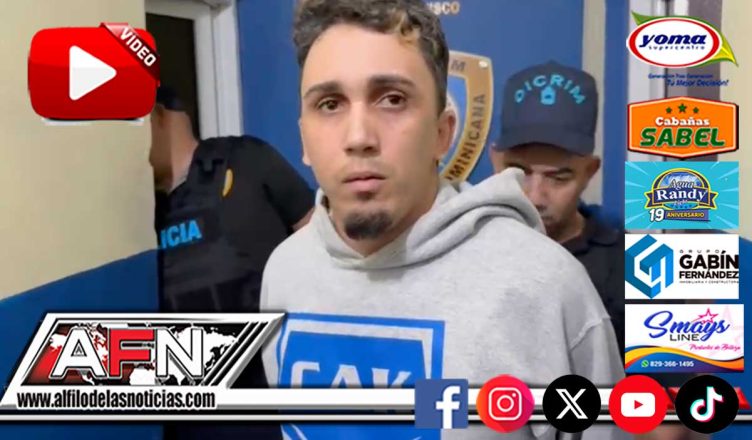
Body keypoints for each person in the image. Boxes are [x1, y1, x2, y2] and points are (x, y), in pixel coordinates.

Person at [260, 1, 625, 439]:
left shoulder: (546, 287)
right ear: (304, 139)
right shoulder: (284, 271)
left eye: (392, 99)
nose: (358, 137)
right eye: (330, 103)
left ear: (442, 132)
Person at [490, 62, 701, 440]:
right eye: (519, 172)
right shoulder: (465, 253)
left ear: (590, 170)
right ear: (495, 160)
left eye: (559, 177)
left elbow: (674, 426)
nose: (535, 196)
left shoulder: (649, 266)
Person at [150, 86, 313, 440]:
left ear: (158, 116)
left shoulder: (247, 161)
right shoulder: (139, 215)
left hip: (276, 403)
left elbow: (326, 250)